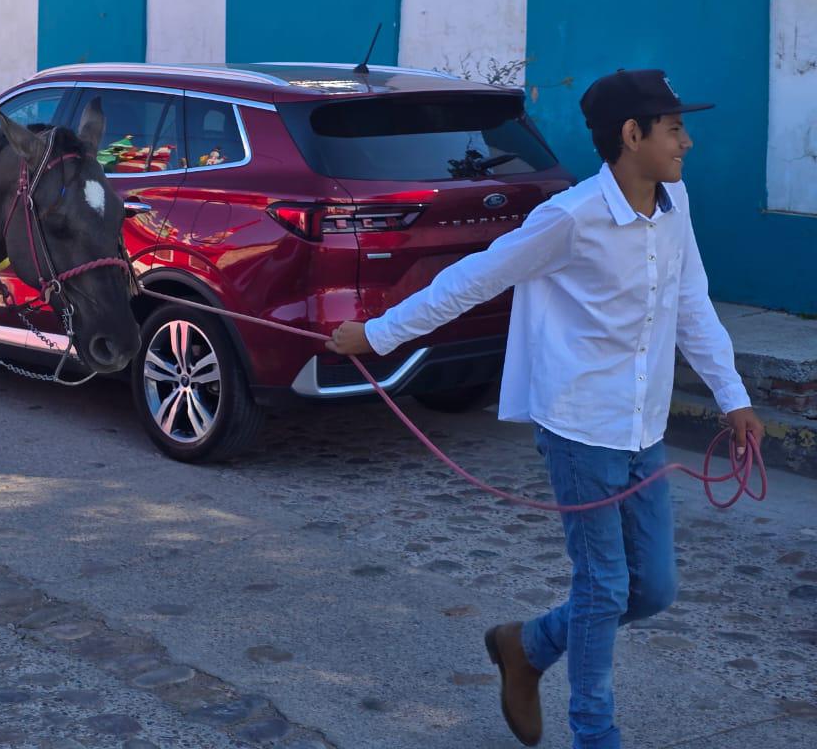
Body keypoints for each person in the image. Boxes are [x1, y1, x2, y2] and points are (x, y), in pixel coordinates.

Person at [326, 69, 765, 749]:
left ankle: (526, 646)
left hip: (642, 431)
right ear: (632, 134)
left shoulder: (675, 205)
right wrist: (378, 334)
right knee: (604, 586)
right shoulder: (571, 217)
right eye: (674, 129)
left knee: (652, 590)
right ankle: (595, 734)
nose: (688, 142)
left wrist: (732, 397)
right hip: (580, 427)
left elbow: (691, 305)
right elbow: (474, 278)